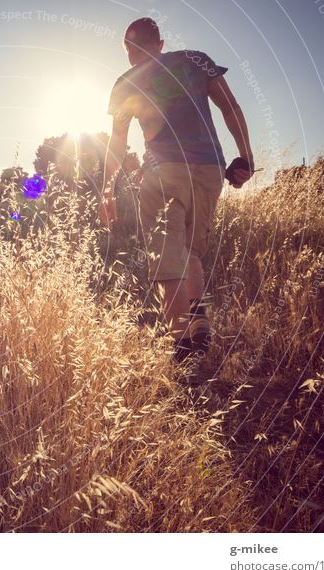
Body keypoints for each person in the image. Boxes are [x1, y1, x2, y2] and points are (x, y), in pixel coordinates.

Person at [101, 17, 254, 363]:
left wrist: (106, 189)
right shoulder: (196, 60)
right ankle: (199, 325)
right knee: (191, 251)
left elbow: (118, 139)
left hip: (164, 169)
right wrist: (246, 157)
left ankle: (182, 347)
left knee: (167, 254)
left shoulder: (126, 82)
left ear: (129, 48)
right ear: (161, 43)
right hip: (210, 169)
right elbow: (229, 106)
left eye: (128, 47)